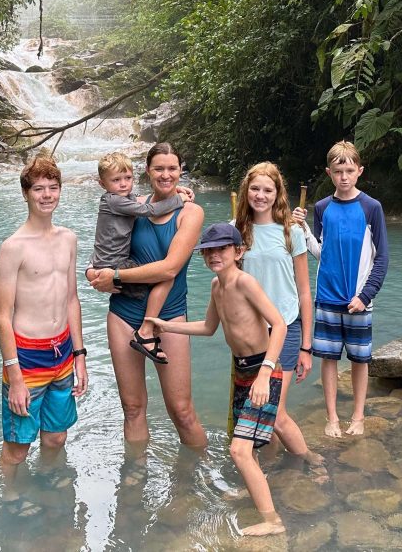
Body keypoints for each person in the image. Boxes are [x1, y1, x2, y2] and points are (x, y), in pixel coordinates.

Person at [149, 222, 287, 538]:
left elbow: (279, 325)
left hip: (262, 370)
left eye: (222, 248)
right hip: (242, 372)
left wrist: (265, 372)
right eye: (209, 250)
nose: (214, 255)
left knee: (239, 450)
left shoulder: (244, 282)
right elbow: (209, 327)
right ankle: (262, 484)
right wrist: (166, 326)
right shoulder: (216, 286)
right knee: (251, 445)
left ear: (238, 251)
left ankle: (273, 520)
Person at [85, 142, 206, 447]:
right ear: (147, 171)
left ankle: (193, 483)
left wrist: (115, 275)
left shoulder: (190, 213)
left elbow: (169, 269)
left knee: (181, 411)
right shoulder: (132, 204)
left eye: (172, 168)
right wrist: (92, 273)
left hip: (169, 318)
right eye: (159, 168)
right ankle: (134, 483)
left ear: (181, 171)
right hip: (124, 314)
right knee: (133, 408)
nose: (166, 175)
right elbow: (105, 246)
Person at [0, 151, 88, 502]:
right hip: (27, 360)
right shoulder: (12, 248)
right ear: (26, 194)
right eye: (38, 189)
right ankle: (11, 496)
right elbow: (3, 315)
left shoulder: (69, 239)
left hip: (62, 353)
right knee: (18, 446)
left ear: (61, 190)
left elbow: (71, 300)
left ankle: (47, 482)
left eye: (53, 187)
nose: (47, 195)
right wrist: (14, 375)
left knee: (56, 436)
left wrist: (80, 355)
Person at [233, 162, 326, 479]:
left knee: (275, 411)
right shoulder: (237, 231)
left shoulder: (292, 231)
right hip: (250, 333)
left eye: (267, 190)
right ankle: (267, 468)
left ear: (277, 194)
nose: (260, 195)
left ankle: (312, 460)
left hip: (285, 329)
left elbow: (303, 292)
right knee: (255, 408)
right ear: (247, 191)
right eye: (255, 189)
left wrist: (307, 347)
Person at [308, 140, 388, 438]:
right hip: (327, 297)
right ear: (329, 173)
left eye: (350, 171)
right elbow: (320, 252)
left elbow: (382, 258)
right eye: (338, 171)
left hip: (358, 300)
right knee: (328, 359)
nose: (344, 177)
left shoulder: (371, 208)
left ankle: (357, 416)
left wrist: (365, 296)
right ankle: (331, 417)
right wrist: (301, 230)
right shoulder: (321, 208)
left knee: (359, 360)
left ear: (360, 172)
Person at [92, 150, 192, 365]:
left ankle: (146, 330)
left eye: (127, 178)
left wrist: (176, 191)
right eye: (116, 180)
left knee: (166, 273)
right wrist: (178, 198)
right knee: (164, 276)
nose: (123, 184)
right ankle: (146, 332)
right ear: (148, 171)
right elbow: (147, 209)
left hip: (169, 313)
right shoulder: (119, 201)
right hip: (120, 294)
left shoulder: (125, 199)